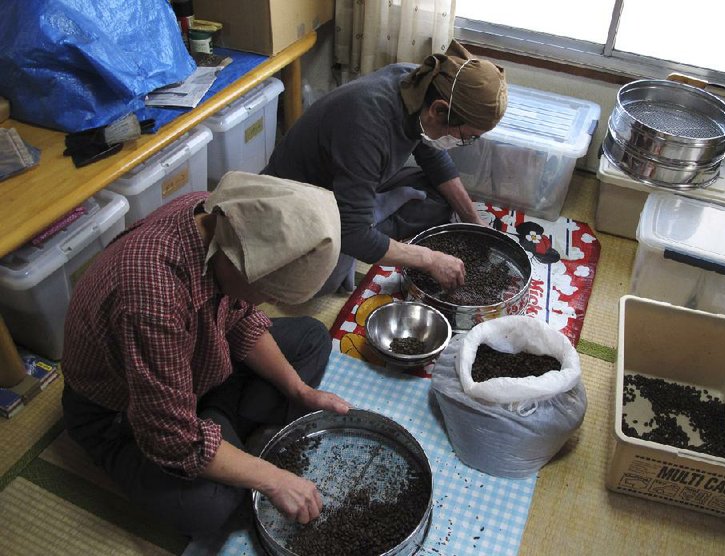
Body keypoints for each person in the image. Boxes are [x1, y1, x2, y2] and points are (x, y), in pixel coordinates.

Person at [60, 172, 351, 536]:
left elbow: (239, 316)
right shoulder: (152, 298)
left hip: (191, 363)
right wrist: (274, 479)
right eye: (269, 291)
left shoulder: (220, 217)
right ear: (237, 262)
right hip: (119, 416)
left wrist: (300, 391)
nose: (271, 302)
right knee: (214, 509)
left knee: (311, 336)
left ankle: (216, 422)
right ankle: (221, 430)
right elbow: (171, 440)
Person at [263, 39, 508, 295]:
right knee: (319, 281)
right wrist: (429, 259)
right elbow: (352, 233)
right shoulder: (366, 123)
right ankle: (367, 223)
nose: (464, 142)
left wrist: (473, 220)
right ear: (439, 110)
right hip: (297, 207)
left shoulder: (422, 86)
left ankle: (369, 218)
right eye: (467, 136)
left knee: (442, 200)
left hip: (349, 182)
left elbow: (433, 156)